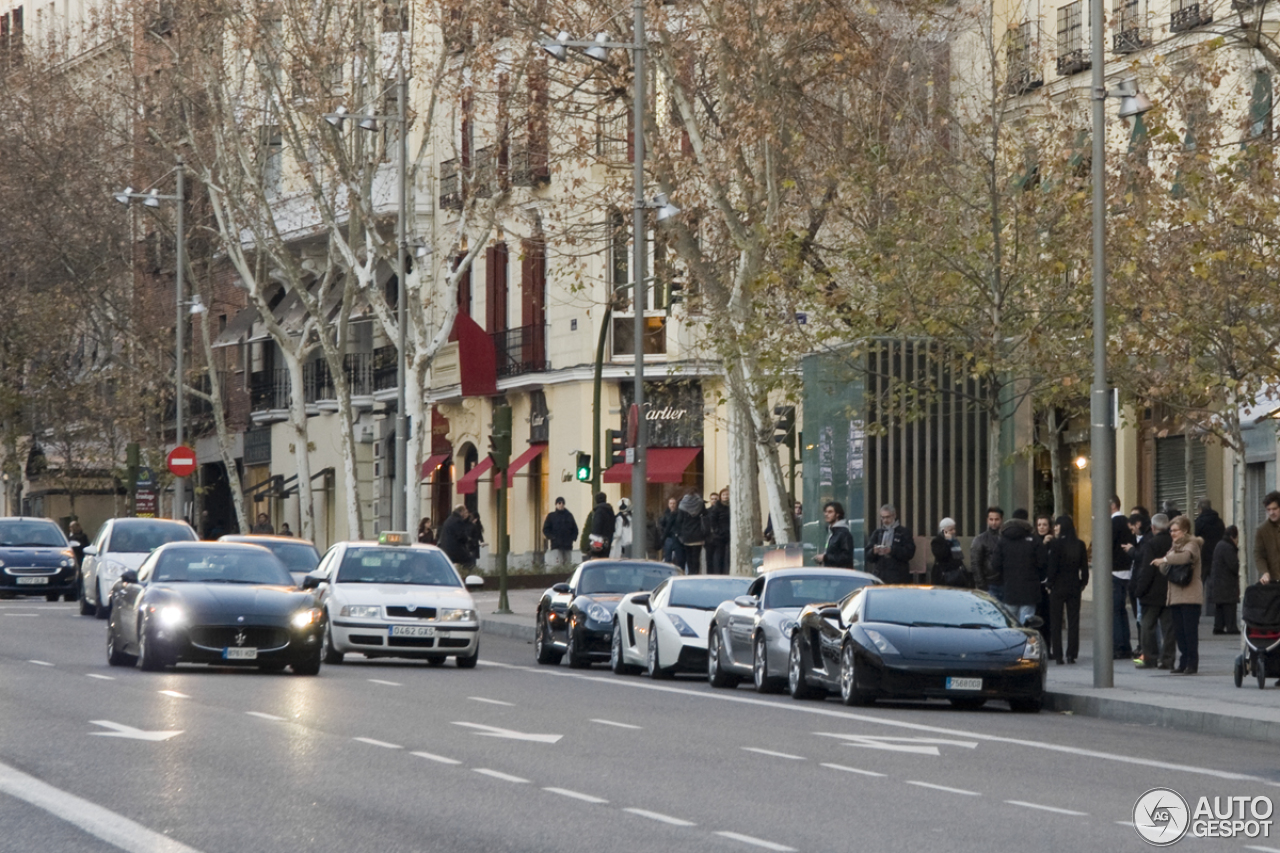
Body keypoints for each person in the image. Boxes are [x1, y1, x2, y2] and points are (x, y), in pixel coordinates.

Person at [1153, 514, 1203, 674]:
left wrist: (1165, 560)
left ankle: (1192, 663)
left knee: (1190, 632)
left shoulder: (1192, 545)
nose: (1172, 533)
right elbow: (1164, 567)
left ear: (1185, 530)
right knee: (1179, 633)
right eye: (1171, 531)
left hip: (1190, 596)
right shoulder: (1173, 547)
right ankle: (1183, 662)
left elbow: (1184, 558)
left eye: (1176, 530)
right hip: (1175, 596)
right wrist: (1164, 562)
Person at [1132, 513, 1176, 670]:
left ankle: (1149, 658)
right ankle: (1168, 659)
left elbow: (1147, 570)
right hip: (1171, 591)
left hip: (1152, 593)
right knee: (1169, 628)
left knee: (1147, 626)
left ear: (1153, 527)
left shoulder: (1151, 544)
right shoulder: (1174, 542)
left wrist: (1139, 590)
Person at [1045, 515, 1087, 664]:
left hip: (1058, 586)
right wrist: (1083, 583)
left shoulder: (1055, 545)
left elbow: (1052, 568)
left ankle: (1058, 654)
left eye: (1057, 525)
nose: (1055, 528)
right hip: (1074, 585)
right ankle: (1071, 653)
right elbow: (1084, 568)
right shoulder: (1080, 544)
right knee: (1073, 621)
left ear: (1062, 527)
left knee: (1055, 622)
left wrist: (1049, 584)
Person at [992, 509, 1040, 626]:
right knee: (1026, 625)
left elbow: (995, 564)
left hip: (1009, 589)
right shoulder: (1033, 540)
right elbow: (1042, 563)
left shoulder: (1003, 539)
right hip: (1029, 590)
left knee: (1010, 624)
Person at [1110, 495, 1136, 660]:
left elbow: (1107, 546)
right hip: (1127, 570)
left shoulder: (1112, 524)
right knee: (1121, 611)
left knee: (1115, 611)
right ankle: (1125, 645)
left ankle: (1119, 646)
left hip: (1114, 571)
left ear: (1112, 505)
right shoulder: (1127, 523)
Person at [864, 504, 914, 584]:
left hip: (898, 575)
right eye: (882, 517)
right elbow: (867, 554)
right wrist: (874, 551)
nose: (885, 520)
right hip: (880, 574)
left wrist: (892, 550)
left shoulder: (904, 532)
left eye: (887, 517)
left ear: (894, 516)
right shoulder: (877, 533)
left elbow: (909, 552)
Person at [1209, 525, 1241, 635]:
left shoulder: (1220, 544)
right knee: (1229, 606)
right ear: (1233, 536)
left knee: (1220, 606)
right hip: (1226, 582)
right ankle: (1231, 627)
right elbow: (1233, 566)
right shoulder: (1228, 547)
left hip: (1218, 581)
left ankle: (1218, 627)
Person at [1195, 499, 1225, 597]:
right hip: (1217, 555)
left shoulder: (1199, 522)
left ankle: (1200, 605)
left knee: (1200, 583)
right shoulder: (1219, 521)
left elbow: (1196, 539)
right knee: (1216, 583)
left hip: (1203, 556)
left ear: (1200, 509)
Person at [971, 506, 1004, 597]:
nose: (993, 522)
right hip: (989, 583)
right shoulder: (980, 539)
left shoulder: (1006, 537)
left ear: (1001, 520)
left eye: (996, 519)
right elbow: (975, 564)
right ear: (987, 520)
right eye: (991, 519)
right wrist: (982, 586)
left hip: (1005, 583)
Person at [931, 517, 969, 587]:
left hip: (956, 574)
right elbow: (941, 555)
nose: (953, 531)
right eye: (951, 530)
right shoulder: (937, 541)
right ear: (943, 531)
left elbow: (959, 557)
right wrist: (947, 542)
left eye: (954, 529)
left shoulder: (954, 541)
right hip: (944, 575)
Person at [816, 501, 855, 569]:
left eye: (830, 512)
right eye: (825, 512)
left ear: (837, 514)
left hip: (839, 574)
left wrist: (825, 557)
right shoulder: (832, 532)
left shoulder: (843, 533)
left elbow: (846, 557)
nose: (826, 514)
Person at [1253, 490, 1280, 585]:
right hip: (1274, 582)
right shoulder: (1262, 530)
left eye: (1275, 509)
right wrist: (1265, 572)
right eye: (1268, 509)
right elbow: (1259, 555)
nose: (1271, 512)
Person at [542, 498, 578, 566]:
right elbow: (546, 529)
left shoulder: (569, 516)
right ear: (556, 504)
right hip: (556, 545)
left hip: (567, 545)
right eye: (559, 503)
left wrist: (572, 538)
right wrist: (552, 537)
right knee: (557, 565)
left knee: (568, 565)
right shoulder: (551, 516)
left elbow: (575, 529)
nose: (561, 505)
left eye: (562, 503)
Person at [676, 492, 706, 574]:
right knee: (696, 557)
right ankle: (696, 572)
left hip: (687, 535)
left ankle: (690, 573)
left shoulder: (682, 505)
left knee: (689, 557)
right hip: (698, 534)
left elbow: (679, 521)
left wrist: (679, 534)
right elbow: (705, 516)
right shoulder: (700, 503)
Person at [706, 488, 730, 574]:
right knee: (720, 556)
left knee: (729, 557)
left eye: (727, 494)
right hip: (720, 536)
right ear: (721, 497)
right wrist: (718, 531)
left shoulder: (733, 506)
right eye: (724, 495)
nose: (726, 497)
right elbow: (713, 520)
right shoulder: (717, 507)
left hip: (731, 535)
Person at [590, 492, 616, 558]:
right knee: (605, 558)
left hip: (599, 540)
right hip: (608, 538)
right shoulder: (610, 510)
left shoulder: (599, 511)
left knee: (598, 559)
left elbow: (597, 526)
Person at [660, 496, 684, 567]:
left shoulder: (679, 514)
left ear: (676, 504)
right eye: (671, 503)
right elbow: (661, 525)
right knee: (667, 558)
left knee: (679, 558)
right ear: (668, 504)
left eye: (674, 503)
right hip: (669, 537)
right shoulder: (665, 514)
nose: (672, 505)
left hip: (677, 538)